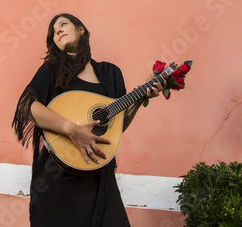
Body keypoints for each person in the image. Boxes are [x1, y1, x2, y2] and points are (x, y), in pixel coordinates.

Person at [12, 13, 164, 227]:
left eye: (62, 24)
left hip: (99, 174)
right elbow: (26, 105)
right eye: (53, 32)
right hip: (59, 179)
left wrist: (139, 101)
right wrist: (72, 130)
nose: (57, 31)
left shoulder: (110, 73)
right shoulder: (52, 70)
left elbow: (115, 127)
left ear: (80, 29)